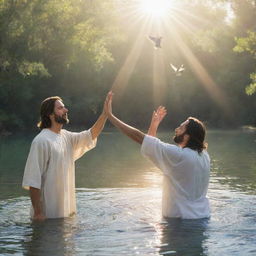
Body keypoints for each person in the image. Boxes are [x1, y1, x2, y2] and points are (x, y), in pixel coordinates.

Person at [104, 91, 210, 219]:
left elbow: (139, 137)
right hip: (203, 218)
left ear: (187, 136)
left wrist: (110, 116)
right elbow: (151, 146)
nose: (176, 129)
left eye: (181, 128)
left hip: (180, 224)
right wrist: (154, 125)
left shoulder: (179, 156)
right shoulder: (204, 156)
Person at [22, 96, 107, 220]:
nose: (65, 110)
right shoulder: (41, 141)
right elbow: (33, 180)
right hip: (47, 216)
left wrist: (105, 114)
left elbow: (91, 134)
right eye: (60, 108)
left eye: (64, 107)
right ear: (50, 114)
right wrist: (38, 213)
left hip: (66, 215)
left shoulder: (66, 137)